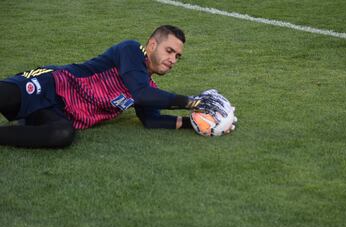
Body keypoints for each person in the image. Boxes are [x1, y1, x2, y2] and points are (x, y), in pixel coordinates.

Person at [0, 25, 229, 148]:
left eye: (178, 56)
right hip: (48, 84)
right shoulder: (130, 51)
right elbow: (141, 93)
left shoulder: (147, 86)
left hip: (57, 113)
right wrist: (192, 101)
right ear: (151, 45)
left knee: (62, 134)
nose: (173, 59)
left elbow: (151, 120)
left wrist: (197, 123)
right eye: (169, 51)